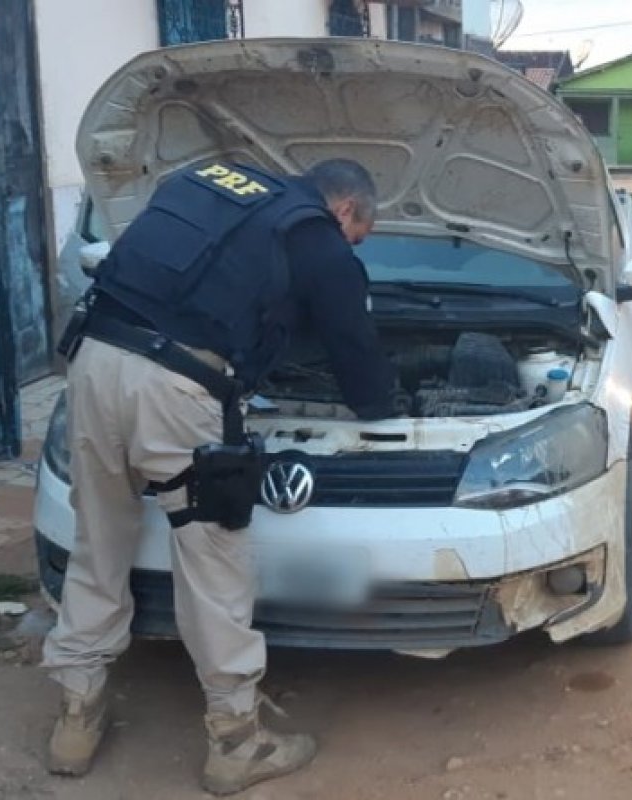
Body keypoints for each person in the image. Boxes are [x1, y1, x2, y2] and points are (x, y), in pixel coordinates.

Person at [40, 158, 396, 795]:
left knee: (100, 542)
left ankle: (75, 717)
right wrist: (384, 414)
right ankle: (236, 741)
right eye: (359, 236)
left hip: (94, 361)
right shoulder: (317, 237)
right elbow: (353, 346)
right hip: (177, 389)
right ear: (345, 210)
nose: (352, 247)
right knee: (213, 559)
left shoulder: (208, 181)